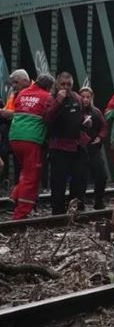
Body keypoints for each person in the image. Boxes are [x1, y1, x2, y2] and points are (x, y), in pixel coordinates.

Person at [7, 74, 54, 219]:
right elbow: (50, 117)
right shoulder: (47, 97)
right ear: (48, 87)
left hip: (14, 138)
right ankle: (20, 213)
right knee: (31, 177)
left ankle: (15, 194)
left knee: (25, 172)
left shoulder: (22, 93)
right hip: (31, 140)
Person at [44, 71, 86, 214]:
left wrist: (86, 123)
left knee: (79, 177)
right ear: (57, 84)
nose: (66, 87)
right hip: (58, 146)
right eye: (63, 84)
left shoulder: (77, 98)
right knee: (58, 182)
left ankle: (75, 208)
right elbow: (47, 118)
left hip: (75, 146)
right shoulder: (52, 98)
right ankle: (57, 211)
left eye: (69, 84)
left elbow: (80, 117)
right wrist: (58, 101)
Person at [79, 87, 109, 210]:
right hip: (80, 150)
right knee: (80, 178)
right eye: (83, 97)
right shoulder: (76, 111)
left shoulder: (96, 112)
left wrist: (100, 137)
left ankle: (99, 201)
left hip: (93, 149)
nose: (85, 100)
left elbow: (104, 126)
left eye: (88, 97)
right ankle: (79, 204)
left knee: (102, 175)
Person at [0, 69, 31, 183]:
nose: (13, 86)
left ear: (25, 80)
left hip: (24, 134)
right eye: (12, 83)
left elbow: (30, 114)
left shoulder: (32, 92)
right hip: (11, 131)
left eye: (16, 82)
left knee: (22, 165)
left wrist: (10, 114)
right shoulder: (13, 92)